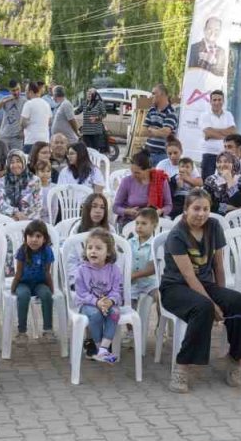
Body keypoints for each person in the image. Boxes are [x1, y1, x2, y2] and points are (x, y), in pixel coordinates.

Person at [157, 189, 241, 392]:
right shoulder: (177, 235)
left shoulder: (214, 226)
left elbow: (219, 266)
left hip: (205, 285)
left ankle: (237, 358)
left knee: (238, 302)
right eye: (196, 208)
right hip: (175, 288)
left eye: (205, 209)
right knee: (204, 307)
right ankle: (182, 366)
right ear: (186, 210)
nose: (201, 214)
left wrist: (222, 296)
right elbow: (189, 276)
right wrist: (214, 305)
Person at [73, 229, 122, 364]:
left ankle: (103, 349)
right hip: (87, 304)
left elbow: (117, 291)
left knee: (116, 313)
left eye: (98, 248)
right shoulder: (81, 270)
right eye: (90, 247)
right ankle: (98, 345)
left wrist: (110, 301)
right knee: (95, 314)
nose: (93, 251)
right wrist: (97, 302)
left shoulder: (114, 270)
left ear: (109, 252)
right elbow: (81, 293)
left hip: (107, 303)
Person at [12, 220, 55, 341]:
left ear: (45, 239)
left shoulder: (47, 251)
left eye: (38, 236)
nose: (34, 239)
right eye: (30, 236)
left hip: (40, 283)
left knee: (46, 295)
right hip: (23, 283)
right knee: (23, 296)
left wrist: (51, 289)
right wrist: (13, 288)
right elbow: (19, 271)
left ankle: (48, 330)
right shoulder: (22, 250)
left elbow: (47, 272)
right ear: (26, 237)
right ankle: (22, 332)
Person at [113, 151, 173, 229]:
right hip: (131, 221)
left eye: (137, 173)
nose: (134, 175)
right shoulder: (127, 181)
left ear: (148, 170)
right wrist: (128, 211)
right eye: (132, 172)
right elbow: (115, 207)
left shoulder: (160, 180)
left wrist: (160, 211)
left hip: (152, 220)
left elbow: (169, 205)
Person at [0, 150, 43, 222]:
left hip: (29, 220)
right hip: (8, 219)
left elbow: (37, 205)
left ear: (24, 162)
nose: (15, 165)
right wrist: (15, 213)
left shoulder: (35, 180)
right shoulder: (2, 181)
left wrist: (23, 216)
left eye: (18, 161)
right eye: (12, 162)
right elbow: (0, 204)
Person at [197, 90, 236, 178]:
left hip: (226, 155)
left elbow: (233, 131)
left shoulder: (228, 115)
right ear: (210, 101)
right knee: (207, 183)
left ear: (223, 101)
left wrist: (213, 132)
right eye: (214, 100)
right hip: (209, 154)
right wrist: (225, 135)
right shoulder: (204, 115)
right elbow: (208, 132)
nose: (217, 102)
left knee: (225, 182)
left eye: (219, 100)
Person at [129, 207, 159, 302]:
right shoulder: (130, 242)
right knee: (128, 304)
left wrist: (133, 275)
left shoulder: (154, 244)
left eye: (144, 223)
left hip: (150, 284)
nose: (139, 226)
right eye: (137, 223)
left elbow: (152, 268)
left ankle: (160, 315)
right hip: (132, 284)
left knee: (159, 296)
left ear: (154, 226)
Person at [143, 84, 177, 167]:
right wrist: (159, 130)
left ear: (163, 95)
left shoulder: (171, 112)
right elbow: (143, 131)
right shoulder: (152, 110)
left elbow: (165, 133)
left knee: (158, 179)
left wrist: (151, 129)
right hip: (148, 153)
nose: (152, 96)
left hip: (162, 155)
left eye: (154, 93)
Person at [20, 82, 53, 154]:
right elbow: (50, 122)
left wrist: (30, 122)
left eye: (26, 91)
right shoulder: (46, 104)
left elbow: (22, 123)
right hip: (45, 140)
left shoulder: (28, 104)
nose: (25, 93)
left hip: (31, 141)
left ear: (31, 92)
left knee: (29, 163)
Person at [0, 81, 25, 154]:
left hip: (17, 137)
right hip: (4, 135)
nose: (16, 92)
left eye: (18, 89)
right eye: (13, 90)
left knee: (17, 157)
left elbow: (28, 118)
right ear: (9, 90)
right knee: (2, 158)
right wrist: (4, 101)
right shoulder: (5, 99)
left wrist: (23, 131)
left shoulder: (25, 101)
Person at [77, 88, 108, 153]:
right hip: (86, 130)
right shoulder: (84, 103)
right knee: (87, 149)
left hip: (95, 131)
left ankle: (94, 162)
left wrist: (96, 118)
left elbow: (104, 114)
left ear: (95, 95)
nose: (88, 94)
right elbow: (78, 111)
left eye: (91, 93)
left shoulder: (99, 103)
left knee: (94, 149)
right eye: (88, 92)